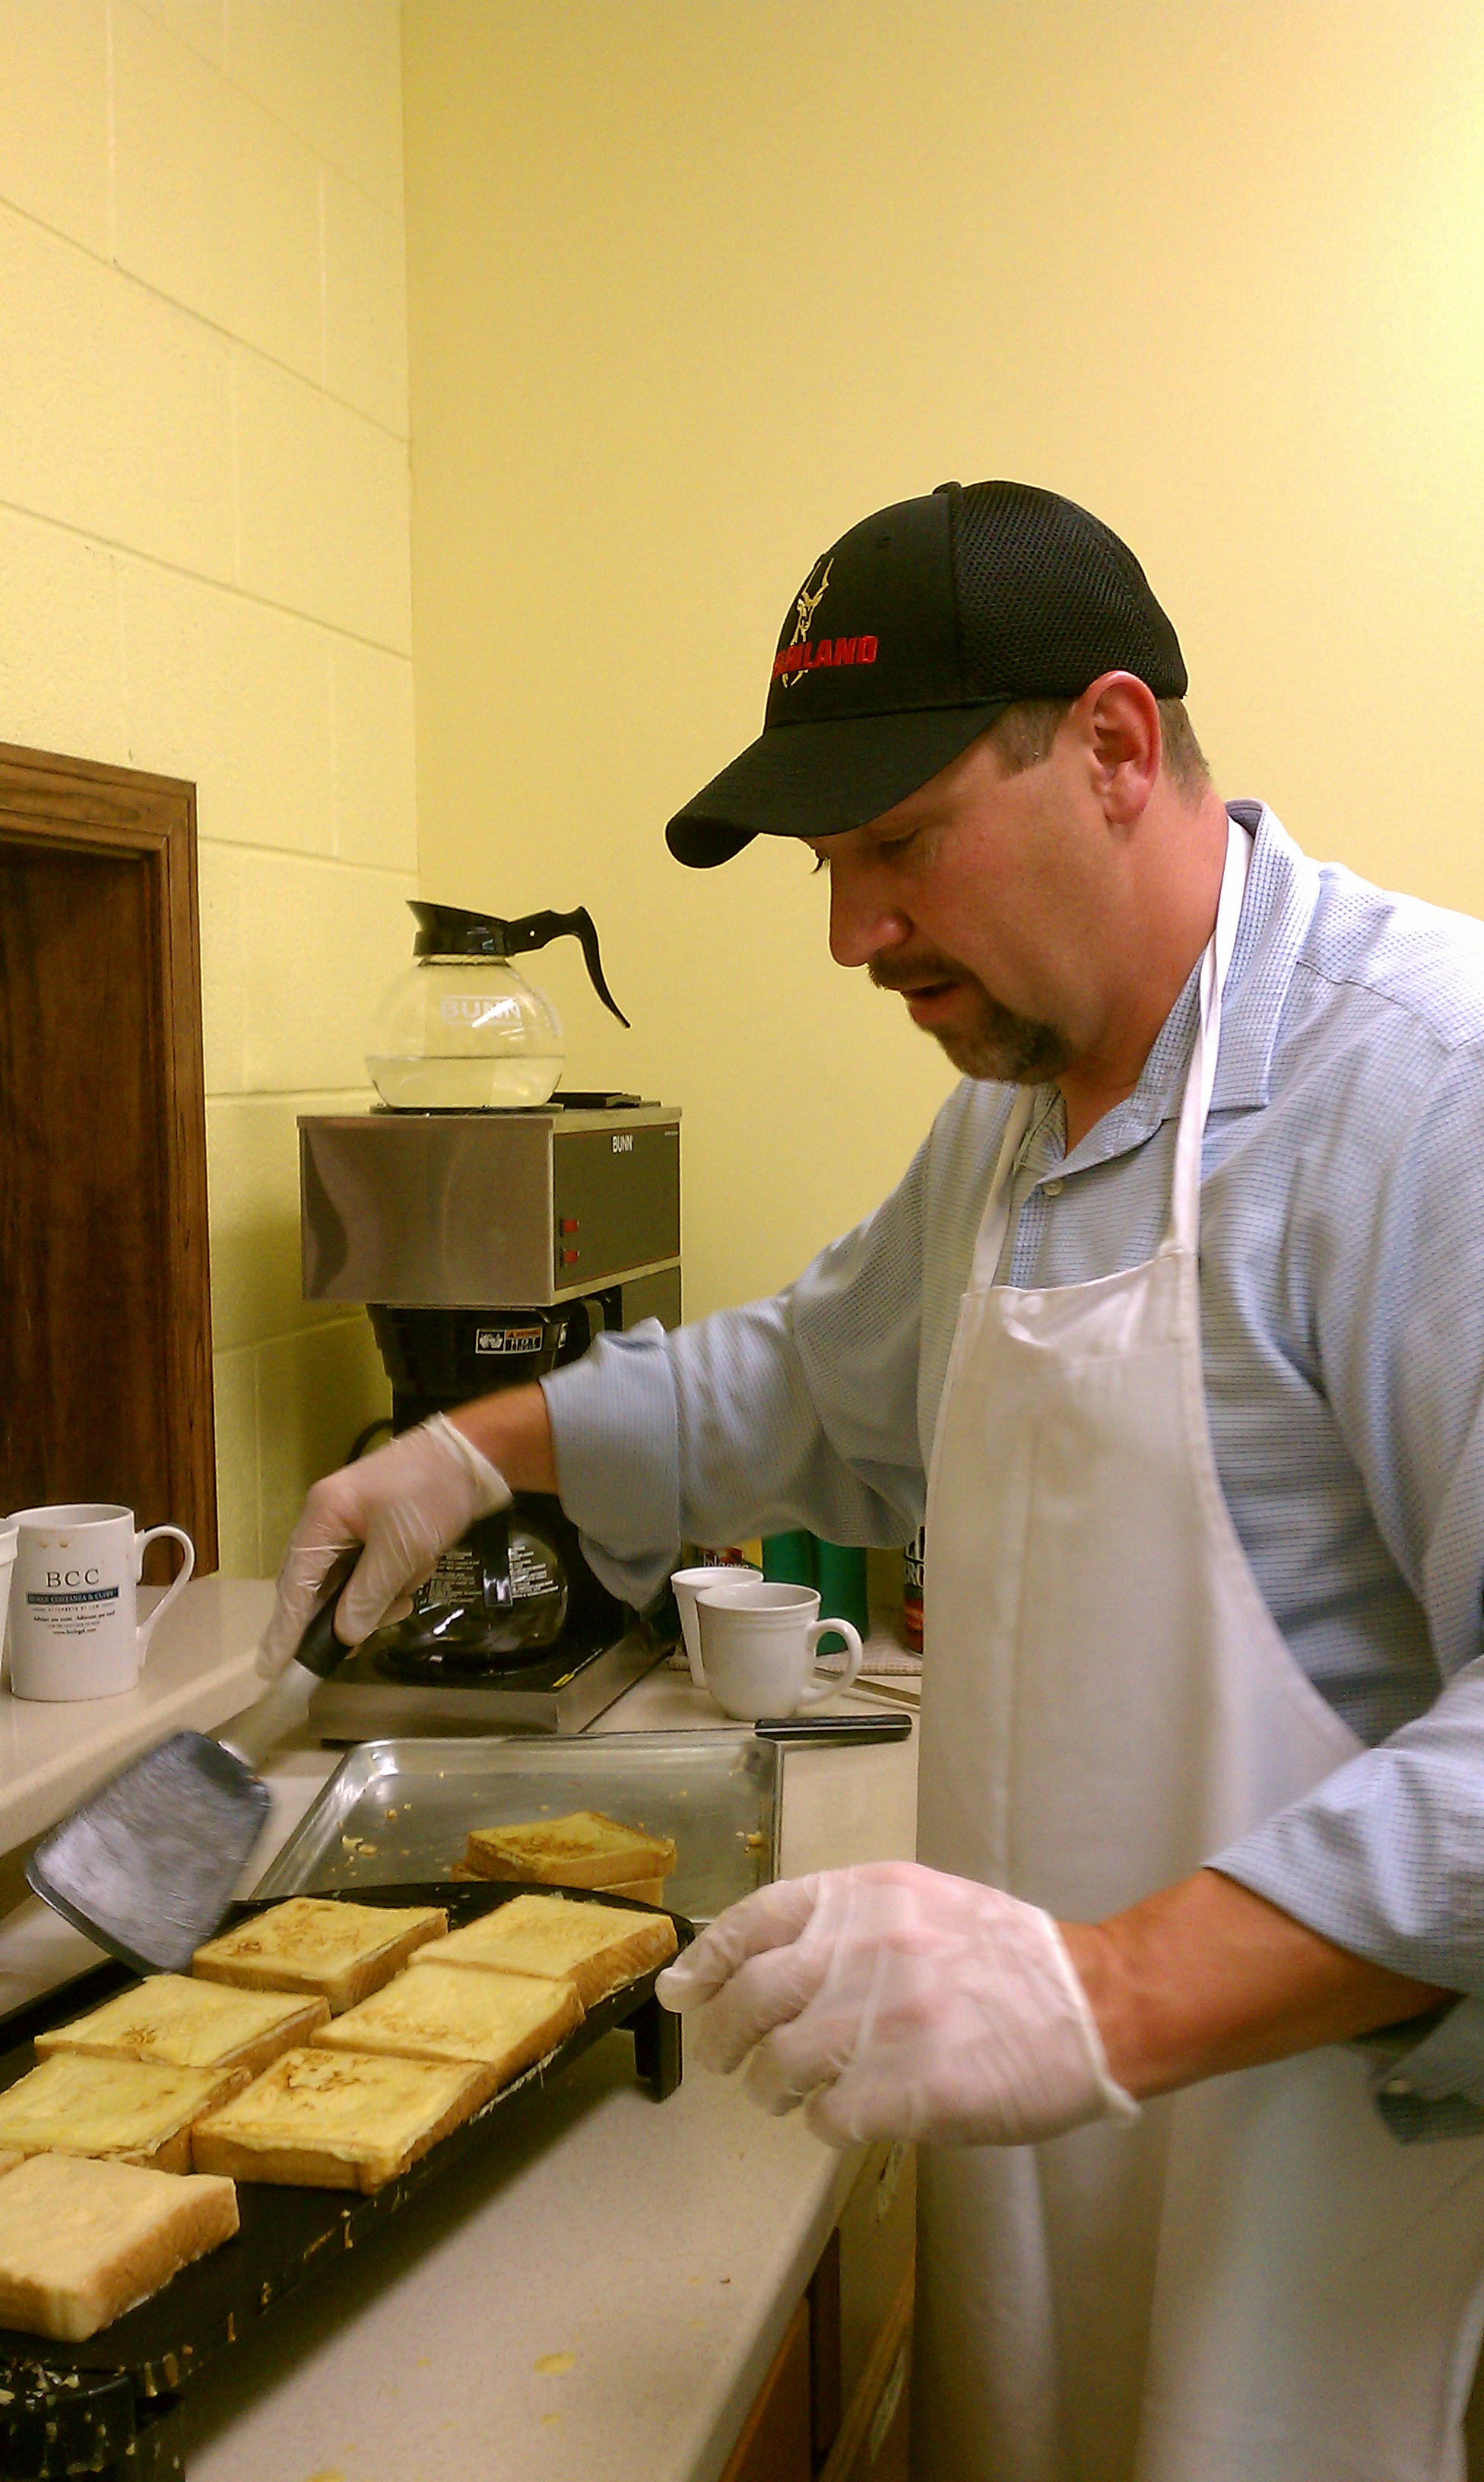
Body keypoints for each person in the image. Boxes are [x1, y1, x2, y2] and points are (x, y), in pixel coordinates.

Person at [261, 481, 1484, 2481]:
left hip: (1295, 2219)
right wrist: (471, 1448)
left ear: (1108, 748)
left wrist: (1098, 1987)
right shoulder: (1019, 1111)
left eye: (897, 844)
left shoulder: (1424, 1088)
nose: (848, 934)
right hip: (1023, 2190)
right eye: (831, 864)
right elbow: (812, 1381)